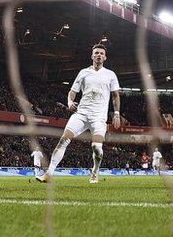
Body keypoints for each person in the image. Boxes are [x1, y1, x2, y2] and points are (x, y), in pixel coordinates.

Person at [37, 44, 121, 184]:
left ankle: (95, 171)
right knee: (63, 140)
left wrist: (117, 114)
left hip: (99, 117)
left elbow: (116, 96)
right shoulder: (83, 73)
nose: (99, 55)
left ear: (105, 57)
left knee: (96, 148)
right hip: (81, 114)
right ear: (92, 56)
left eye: (101, 53)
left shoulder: (110, 74)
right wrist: (70, 101)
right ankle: (49, 173)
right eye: (96, 53)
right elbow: (73, 91)